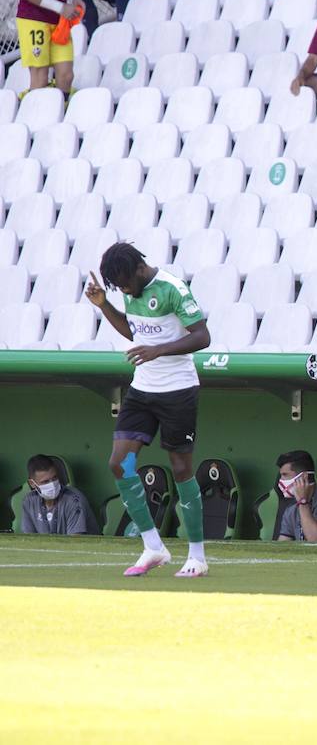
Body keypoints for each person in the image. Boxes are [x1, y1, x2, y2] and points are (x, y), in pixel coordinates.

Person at [84, 242, 212, 578]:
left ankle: (197, 556)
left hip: (178, 390)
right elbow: (133, 330)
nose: (124, 289)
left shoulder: (172, 289)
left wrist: (160, 351)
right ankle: (154, 547)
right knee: (118, 464)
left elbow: (202, 337)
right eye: (118, 286)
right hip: (142, 390)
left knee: (181, 469)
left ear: (139, 268)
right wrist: (104, 305)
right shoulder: (129, 290)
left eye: (125, 282)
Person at [19, 454, 93, 535]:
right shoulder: (29, 501)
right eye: (45, 481)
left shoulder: (74, 500)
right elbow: (28, 539)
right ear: (32, 483)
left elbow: (75, 542)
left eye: (54, 478)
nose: (52, 484)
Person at [274, 450, 317, 543]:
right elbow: (282, 545)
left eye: (285, 475)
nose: (281, 480)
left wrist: (303, 502)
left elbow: (315, 538)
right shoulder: (291, 509)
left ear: (304, 477)